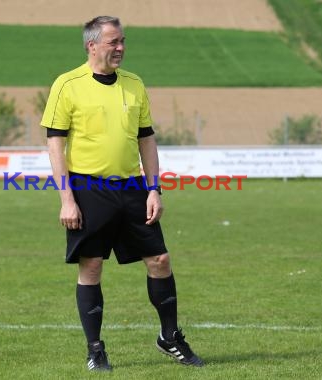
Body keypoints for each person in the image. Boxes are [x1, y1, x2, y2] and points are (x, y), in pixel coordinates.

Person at [41, 16, 204, 371]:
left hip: (132, 187)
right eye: (114, 42)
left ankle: (169, 337)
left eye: (123, 41)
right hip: (88, 187)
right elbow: (55, 144)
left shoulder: (134, 84)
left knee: (159, 260)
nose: (121, 48)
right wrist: (66, 199)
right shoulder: (67, 85)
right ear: (92, 46)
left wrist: (153, 188)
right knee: (92, 266)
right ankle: (95, 349)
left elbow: (146, 138)